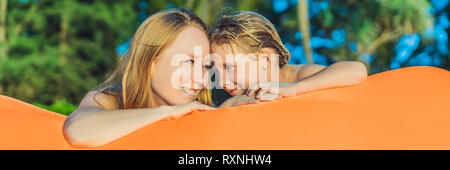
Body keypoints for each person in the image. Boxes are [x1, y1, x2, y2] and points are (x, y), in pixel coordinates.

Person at [63, 9, 214, 147]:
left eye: (206, 66)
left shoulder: (206, 113)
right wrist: (169, 113)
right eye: (190, 62)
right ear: (150, 63)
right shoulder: (113, 99)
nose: (201, 79)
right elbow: (78, 131)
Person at [209, 11, 368, 105]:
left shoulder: (296, 76)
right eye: (217, 71)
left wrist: (293, 88)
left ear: (265, 59)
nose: (222, 81)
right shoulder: (240, 98)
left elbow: (356, 70)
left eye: (229, 67)